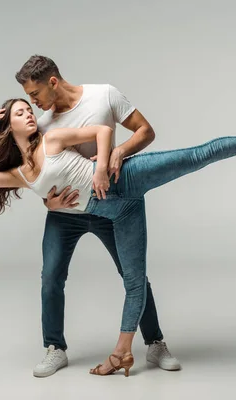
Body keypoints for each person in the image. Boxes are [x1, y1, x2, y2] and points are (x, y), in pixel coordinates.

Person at [0, 98, 236, 377]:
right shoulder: (18, 174)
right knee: (134, 281)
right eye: (19, 112)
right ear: (6, 124)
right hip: (120, 212)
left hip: (127, 178)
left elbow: (102, 134)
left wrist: (103, 169)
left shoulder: (53, 138)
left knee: (199, 155)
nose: (30, 114)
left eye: (30, 109)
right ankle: (122, 352)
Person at [19, 55, 179, 377]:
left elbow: (146, 132)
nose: (32, 102)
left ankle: (155, 343)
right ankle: (55, 348)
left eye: (34, 94)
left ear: (52, 82)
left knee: (133, 276)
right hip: (66, 213)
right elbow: (37, 175)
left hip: (111, 204)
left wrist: (120, 151)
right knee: (51, 276)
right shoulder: (44, 125)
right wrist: (48, 204)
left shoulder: (104, 95)